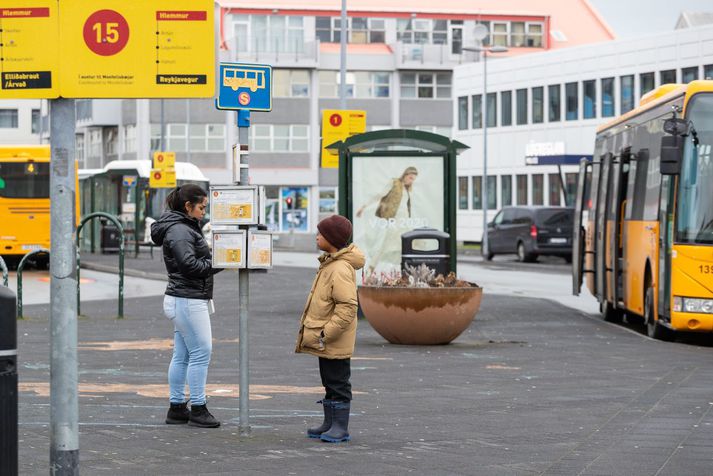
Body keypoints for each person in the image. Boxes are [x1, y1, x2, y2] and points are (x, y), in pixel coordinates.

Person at [151, 184, 222, 428]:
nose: (204, 212)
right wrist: (221, 262)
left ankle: (177, 408)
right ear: (188, 206)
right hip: (188, 299)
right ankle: (198, 409)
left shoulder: (179, 227)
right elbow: (189, 265)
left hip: (182, 298)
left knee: (182, 355)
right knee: (201, 353)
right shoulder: (181, 230)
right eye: (201, 207)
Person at [296, 215, 365, 443]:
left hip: (333, 338)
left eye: (321, 234)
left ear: (332, 239)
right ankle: (330, 422)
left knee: (338, 382)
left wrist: (327, 333)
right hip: (325, 338)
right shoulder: (329, 263)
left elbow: (347, 306)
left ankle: (340, 427)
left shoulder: (339, 268)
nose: (317, 236)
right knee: (329, 381)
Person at [355, 166, 418, 273]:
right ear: (406, 174)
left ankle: (406, 273)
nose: (411, 181)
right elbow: (380, 194)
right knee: (385, 245)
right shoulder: (394, 183)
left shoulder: (407, 190)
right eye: (411, 178)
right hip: (395, 222)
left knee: (408, 246)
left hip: (404, 223)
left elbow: (406, 208)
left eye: (413, 179)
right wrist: (364, 206)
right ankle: (370, 270)